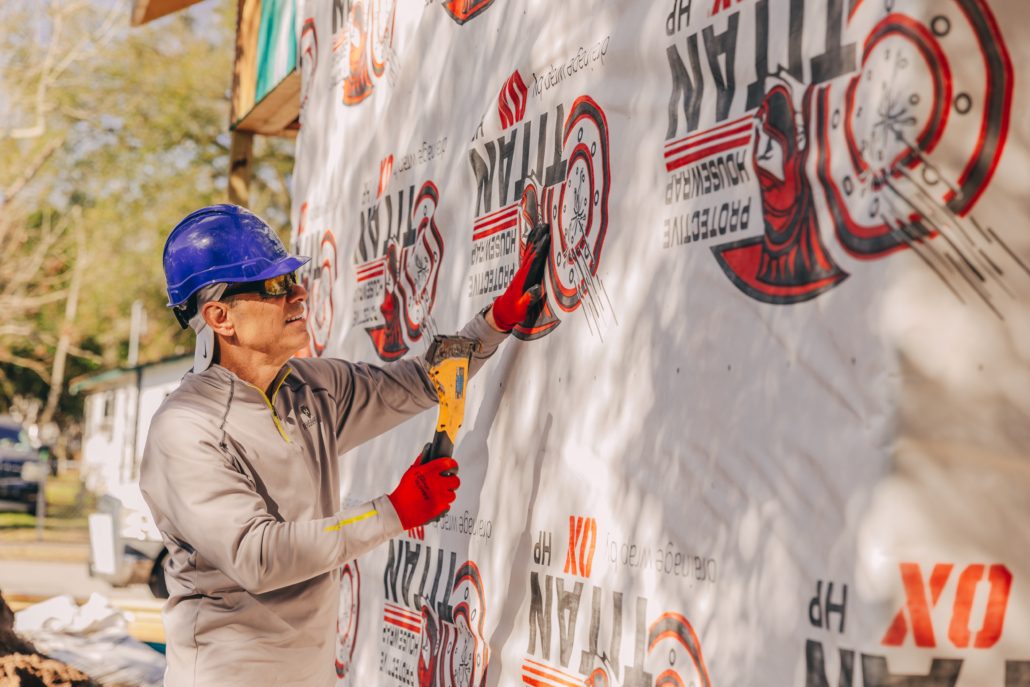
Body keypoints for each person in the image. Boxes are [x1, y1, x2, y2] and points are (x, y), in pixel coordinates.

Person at [139, 204, 549, 686]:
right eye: (274, 286)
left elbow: (419, 381)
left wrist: (494, 321)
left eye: (292, 279)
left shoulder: (312, 387)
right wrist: (393, 510)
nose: (297, 293)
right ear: (219, 316)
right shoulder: (186, 428)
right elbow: (257, 554)